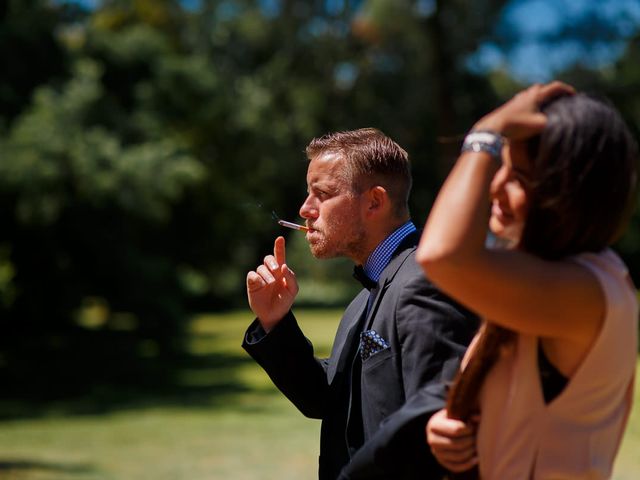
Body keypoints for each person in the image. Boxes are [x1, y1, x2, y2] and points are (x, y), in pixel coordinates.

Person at [417, 82, 638, 479]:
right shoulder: (537, 277)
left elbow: (441, 255)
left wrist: (486, 130)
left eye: (518, 176)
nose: (496, 186)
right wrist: (456, 428)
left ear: (568, 191)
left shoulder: (589, 291)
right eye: (498, 165)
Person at [243, 128, 479, 479]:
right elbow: (327, 399)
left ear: (374, 201)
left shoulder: (424, 282)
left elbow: (430, 421)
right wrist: (275, 324)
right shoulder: (364, 298)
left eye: (321, 194)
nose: (305, 209)